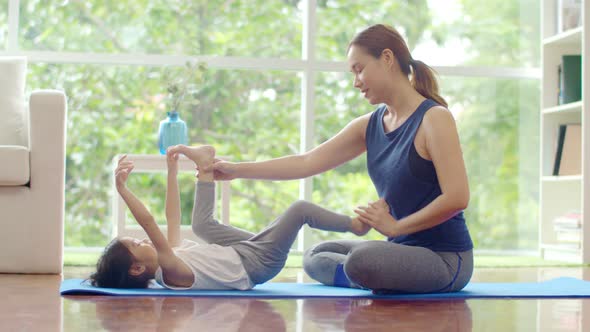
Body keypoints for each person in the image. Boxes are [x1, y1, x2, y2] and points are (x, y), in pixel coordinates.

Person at [203, 23, 474, 293]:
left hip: (445, 258)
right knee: (315, 255)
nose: (356, 82)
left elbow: (457, 197)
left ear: (387, 59)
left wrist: (396, 226)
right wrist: (236, 170)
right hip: (400, 251)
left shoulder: (434, 118)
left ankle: (371, 272)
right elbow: (306, 162)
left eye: (359, 69)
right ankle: (374, 274)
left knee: (361, 260)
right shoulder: (369, 125)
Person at [89, 145, 369, 290]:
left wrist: (172, 170)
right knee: (299, 209)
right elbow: (149, 223)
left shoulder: (170, 256)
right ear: (137, 269)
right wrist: (122, 190)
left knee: (200, 225)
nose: (143, 240)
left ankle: (204, 166)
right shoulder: (171, 271)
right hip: (257, 263)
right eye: (136, 245)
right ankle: (355, 225)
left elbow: (171, 218)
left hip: (241, 252)